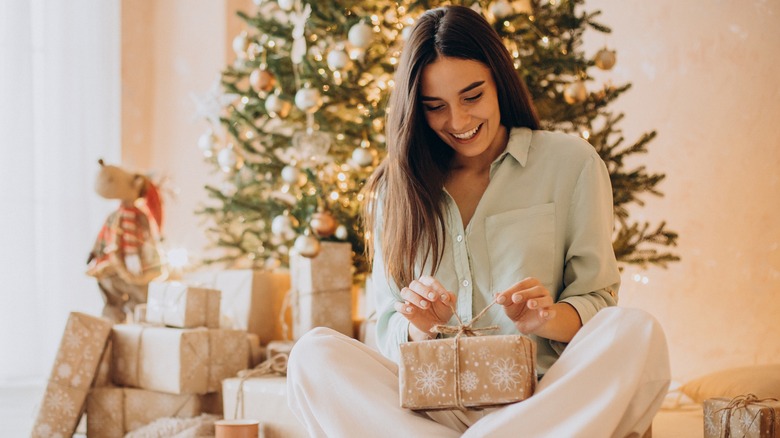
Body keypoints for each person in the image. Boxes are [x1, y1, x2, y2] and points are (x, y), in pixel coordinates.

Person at [288, 5, 670, 437]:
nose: (459, 121)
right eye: (435, 107)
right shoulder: (396, 188)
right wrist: (419, 328)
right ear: (416, 109)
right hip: (429, 410)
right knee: (313, 356)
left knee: (636, 331)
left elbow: (598, 301)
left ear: (499, 82)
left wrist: (545, 319)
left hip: (542, 403)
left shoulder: (570, 163)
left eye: (472, 96)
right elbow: (385, 328)